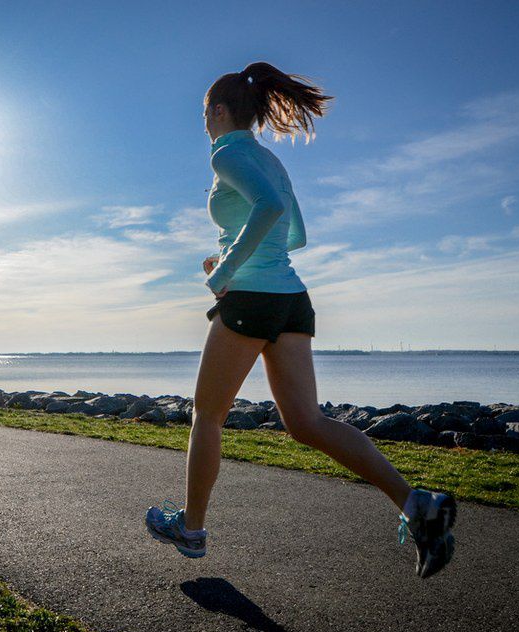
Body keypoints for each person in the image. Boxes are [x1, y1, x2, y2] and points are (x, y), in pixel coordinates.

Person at [144, 61, 457, 579]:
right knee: (307, 423)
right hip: (291, 298)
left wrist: (225, 269)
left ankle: (191, 529)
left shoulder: (226, 154)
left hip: (250, 300)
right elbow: (295, 236)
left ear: (218, 111)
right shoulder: (271, 160)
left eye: (204, 115)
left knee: (208, 416)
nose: (204, 125)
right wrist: (234, 252)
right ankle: (417, 504)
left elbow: (267, 208)